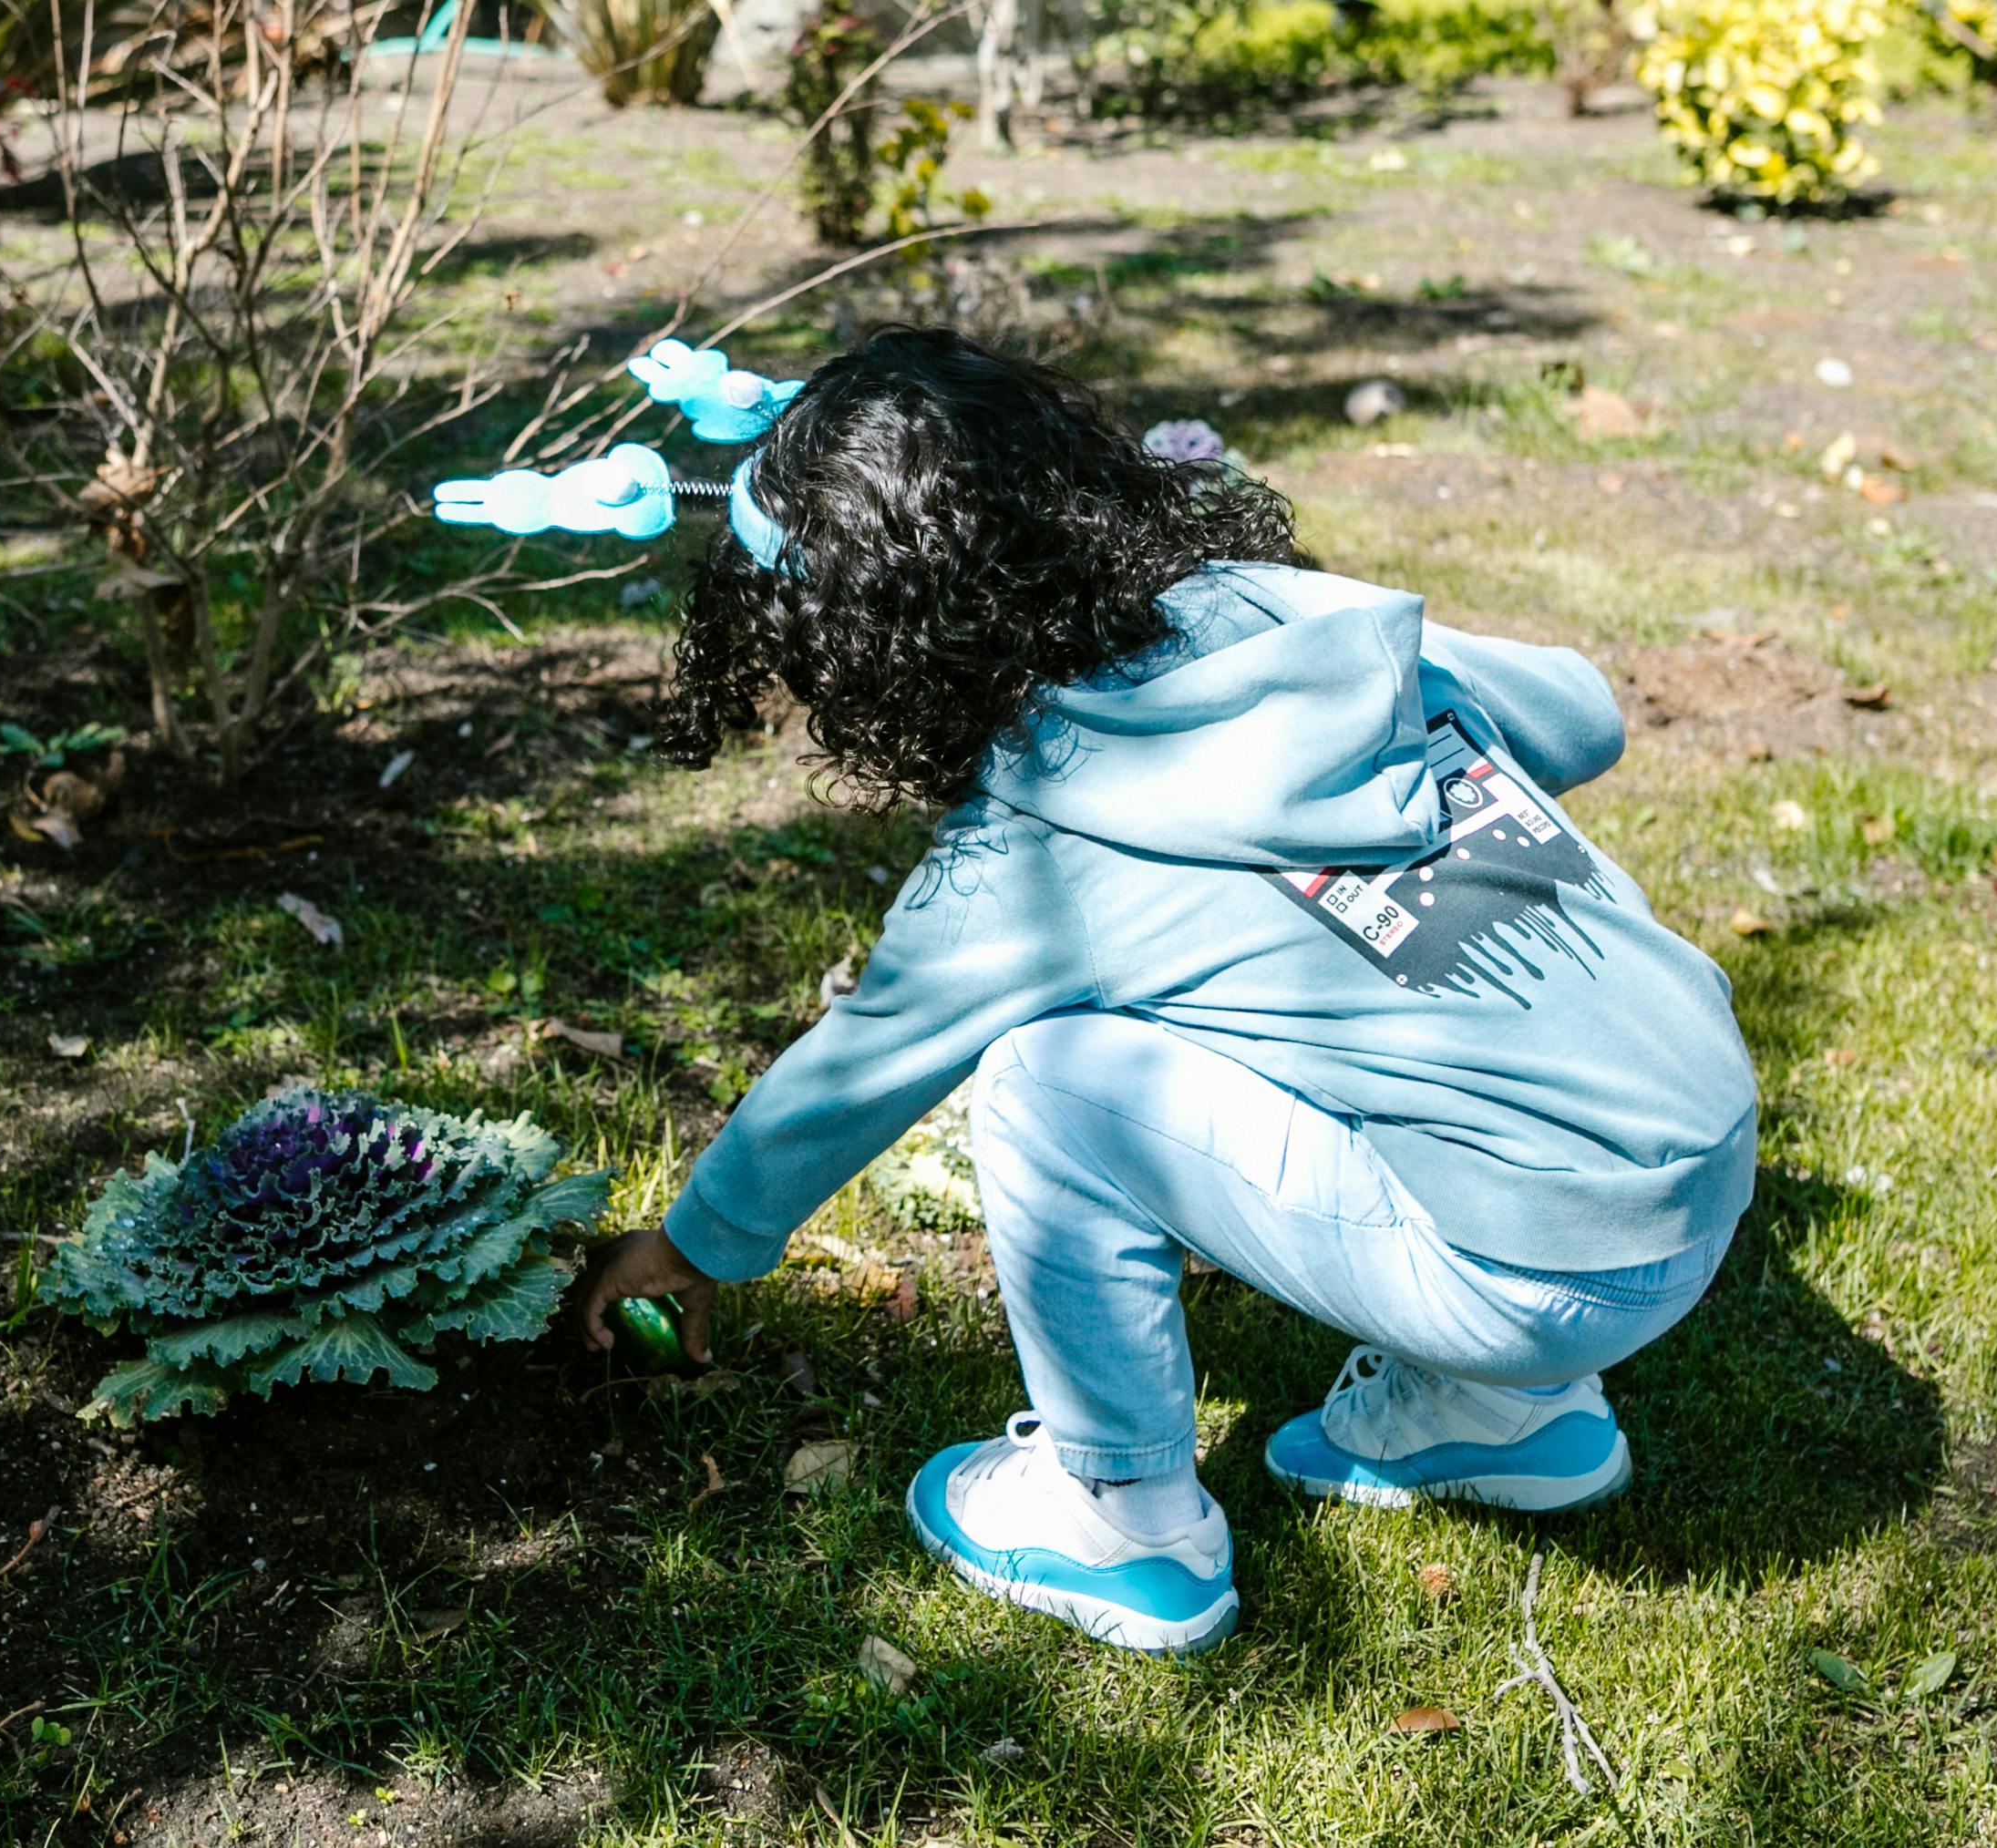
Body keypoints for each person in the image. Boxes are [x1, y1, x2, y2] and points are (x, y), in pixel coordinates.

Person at [574, 327, 1756, 1656]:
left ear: (869, 649)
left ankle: (1118, 1521)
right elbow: (1580, 715)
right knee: (1374, 1008)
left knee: (1047, 1081)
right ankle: (1504, 1415)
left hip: (1534, 1264)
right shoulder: (1277, 614)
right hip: (1698, 1155)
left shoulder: (1030, 854)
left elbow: (859, 1064)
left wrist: (690, 1243)